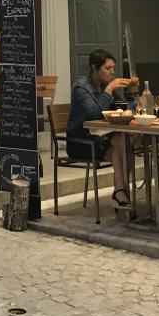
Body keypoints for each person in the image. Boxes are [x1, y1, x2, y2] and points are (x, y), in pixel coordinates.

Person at [66, 49, 140, 208]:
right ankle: (122, 192)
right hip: (81, 142)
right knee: (121, 146)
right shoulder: (81, 87)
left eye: (113, 68)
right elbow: (93, 113)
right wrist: (109, 90)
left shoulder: (105, 85)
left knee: (122, 142)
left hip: (100, 138)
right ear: (94, 67)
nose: (112, 72)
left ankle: (120, 192)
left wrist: (132, 92)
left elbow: (121, 108)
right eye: (108, 68)